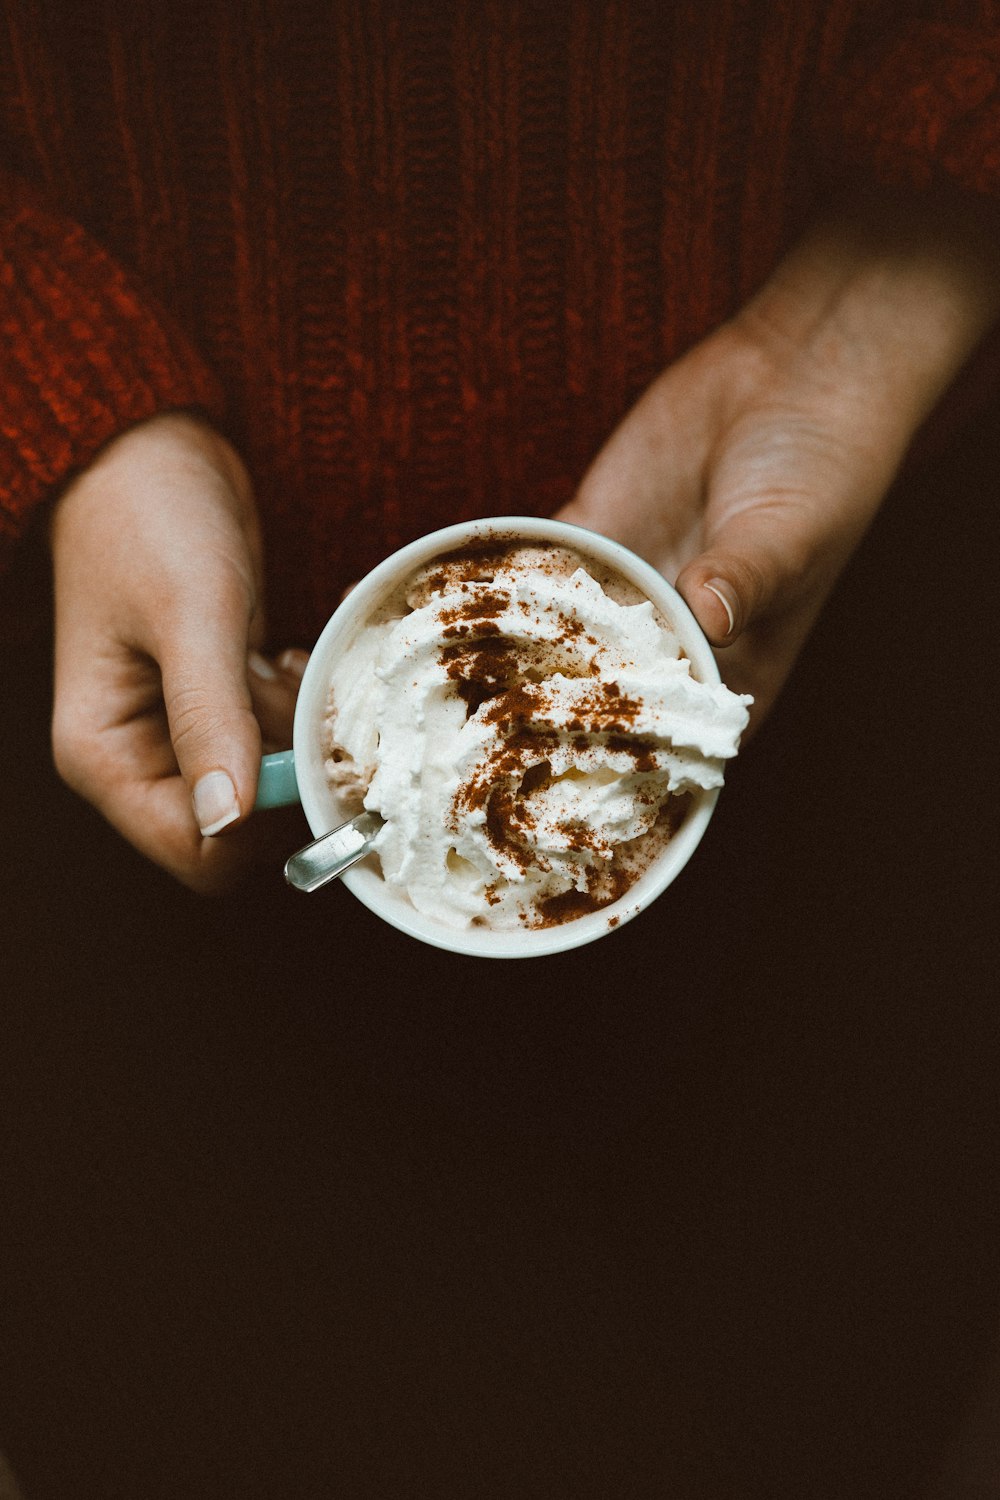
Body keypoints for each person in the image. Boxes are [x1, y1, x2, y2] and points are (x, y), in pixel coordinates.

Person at [2, 4, 1000, 1495]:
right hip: (115, 626)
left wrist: (893, 289)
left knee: (824, 1394)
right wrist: (64, 386)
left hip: (867, 601)